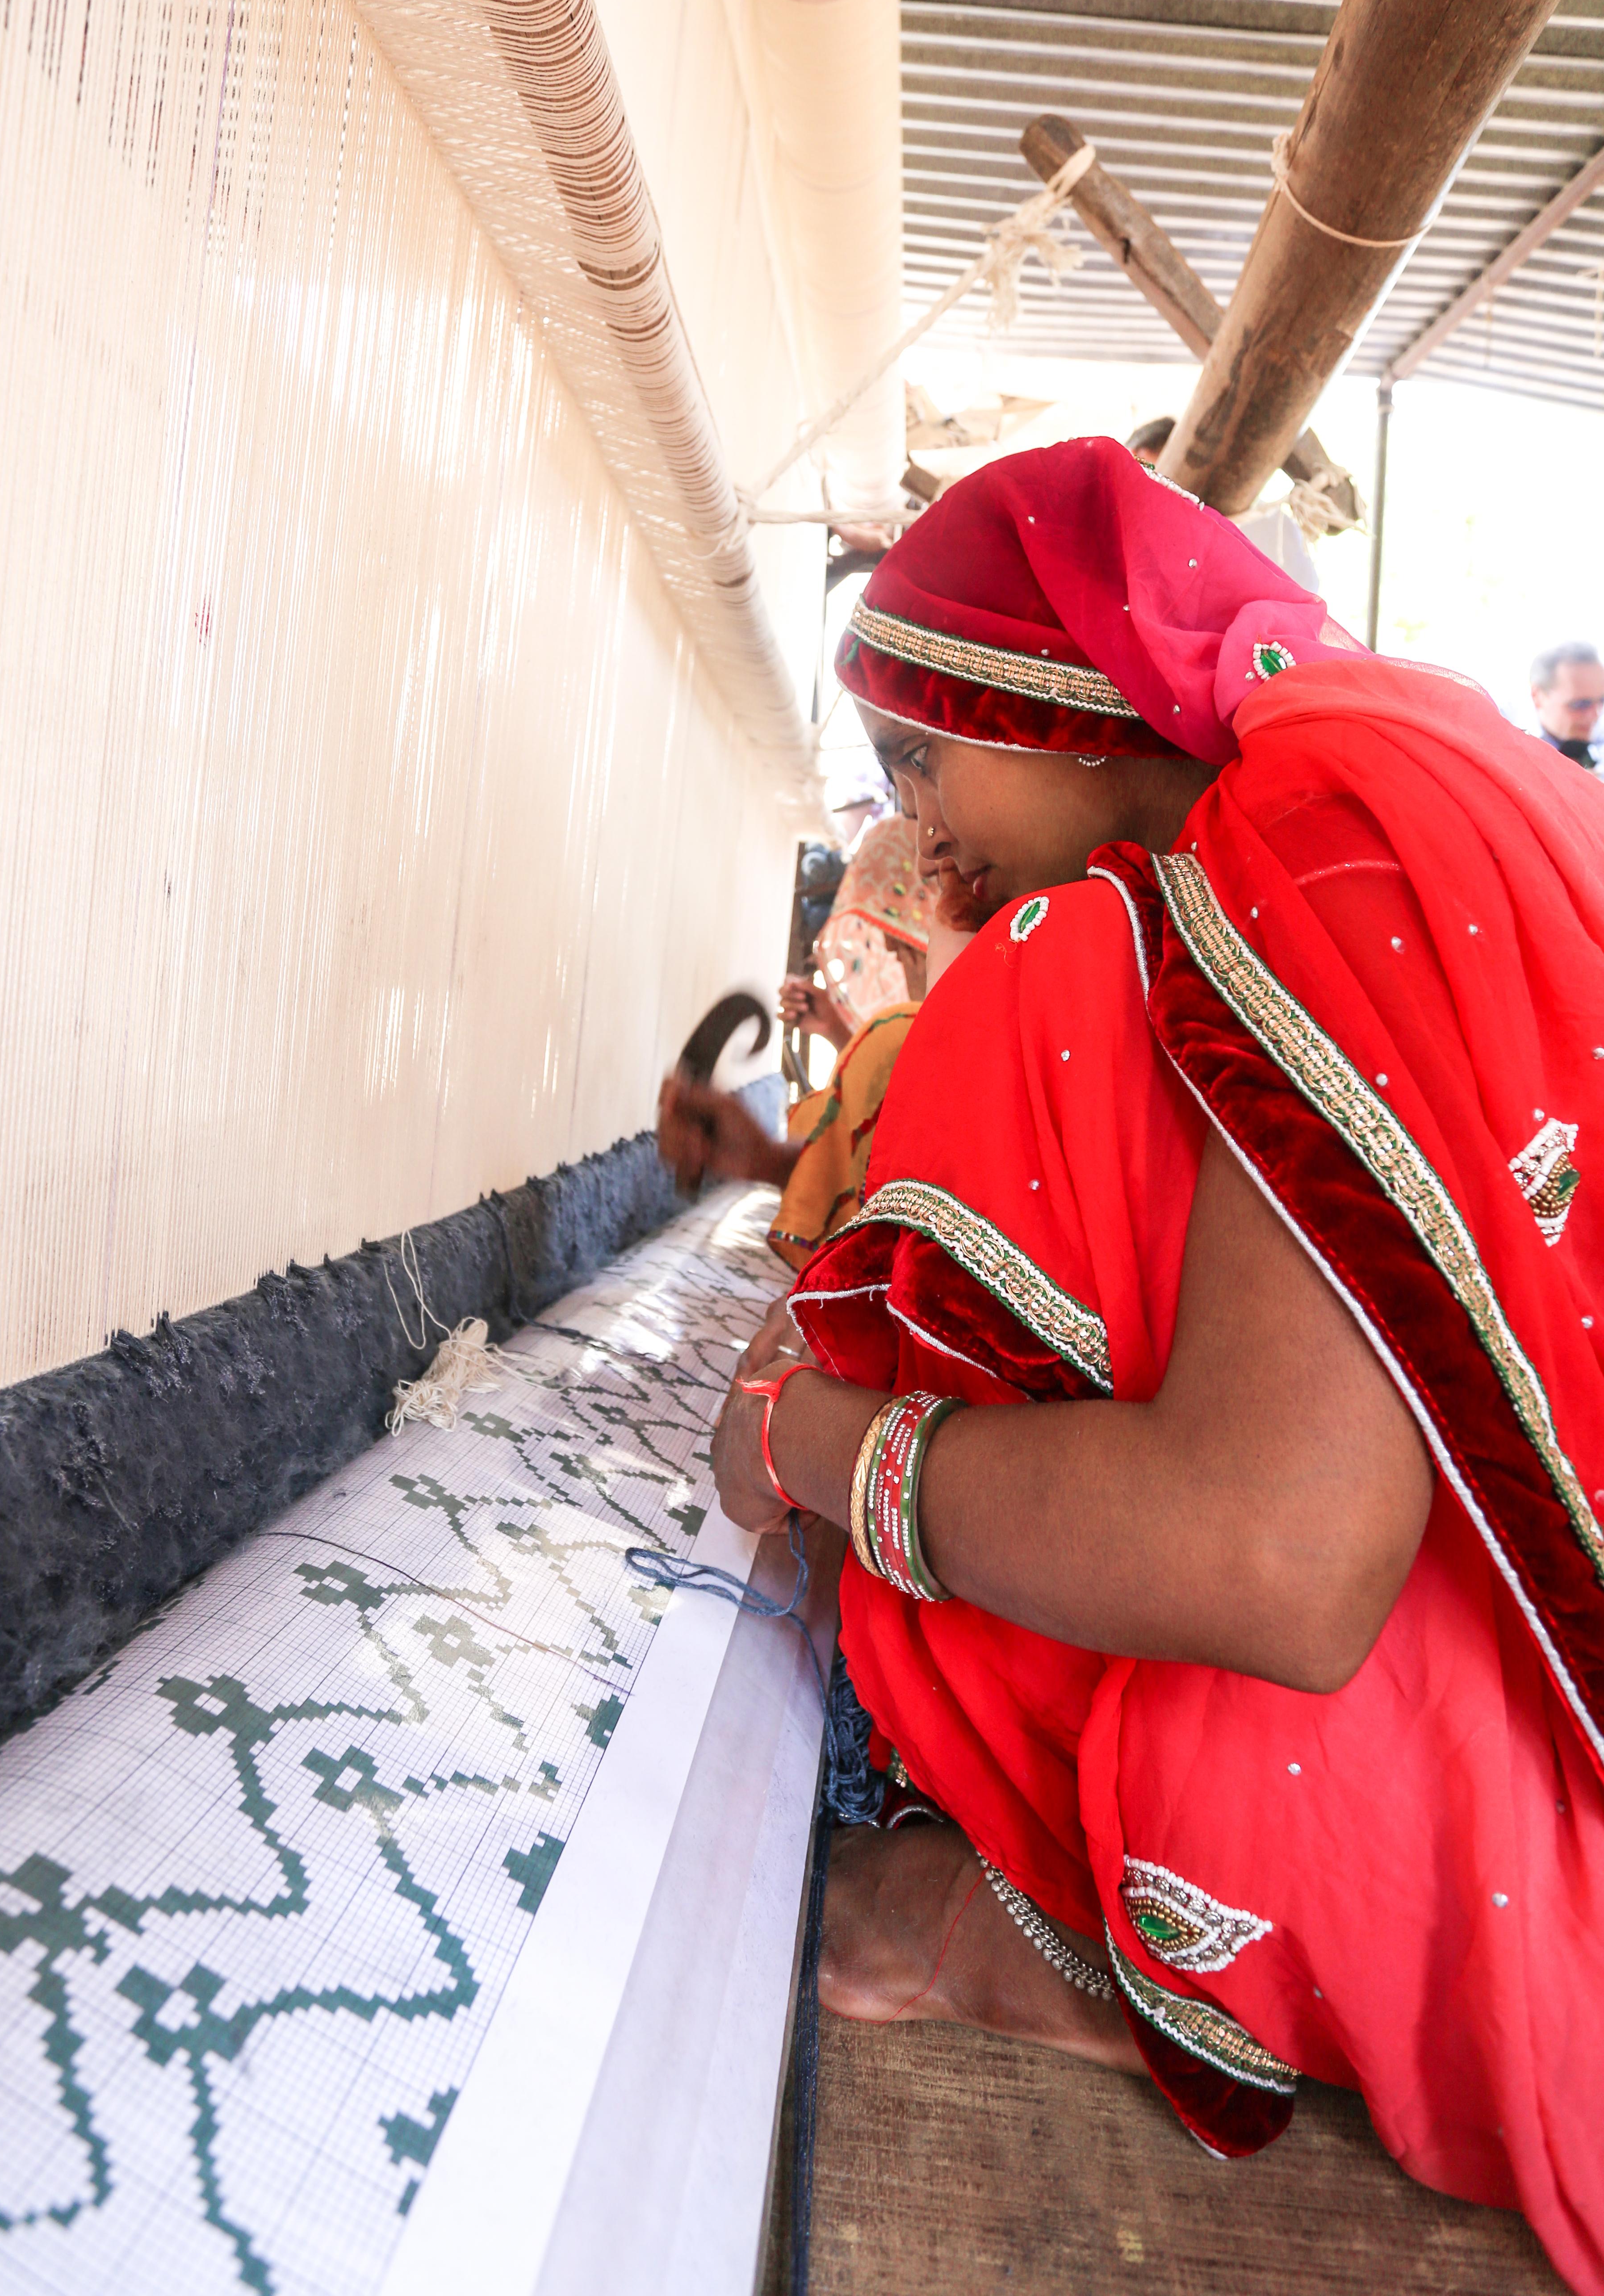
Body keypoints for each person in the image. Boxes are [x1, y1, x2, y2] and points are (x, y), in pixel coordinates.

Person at [709, 437, 1604, 2292]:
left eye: (923, 758)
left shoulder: (1313, 845)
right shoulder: (1346, 801)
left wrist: (811, 1441)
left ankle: (1109, 1938)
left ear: (1040, 688)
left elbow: (1274, 1551)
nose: (923, 832)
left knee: (1047, 990)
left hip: (1548, 1868)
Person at [658, 819, 936, 1265]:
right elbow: (875, 1161)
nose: (899, 960)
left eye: (911, 952)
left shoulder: (902, 1036)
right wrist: (767, 1160)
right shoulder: (901, 1045)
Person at [1530, 641, 1604, 768]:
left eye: (1602, 701)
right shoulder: (1513, 750)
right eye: (1580, 705)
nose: (1595, 715)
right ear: (1538, 697)